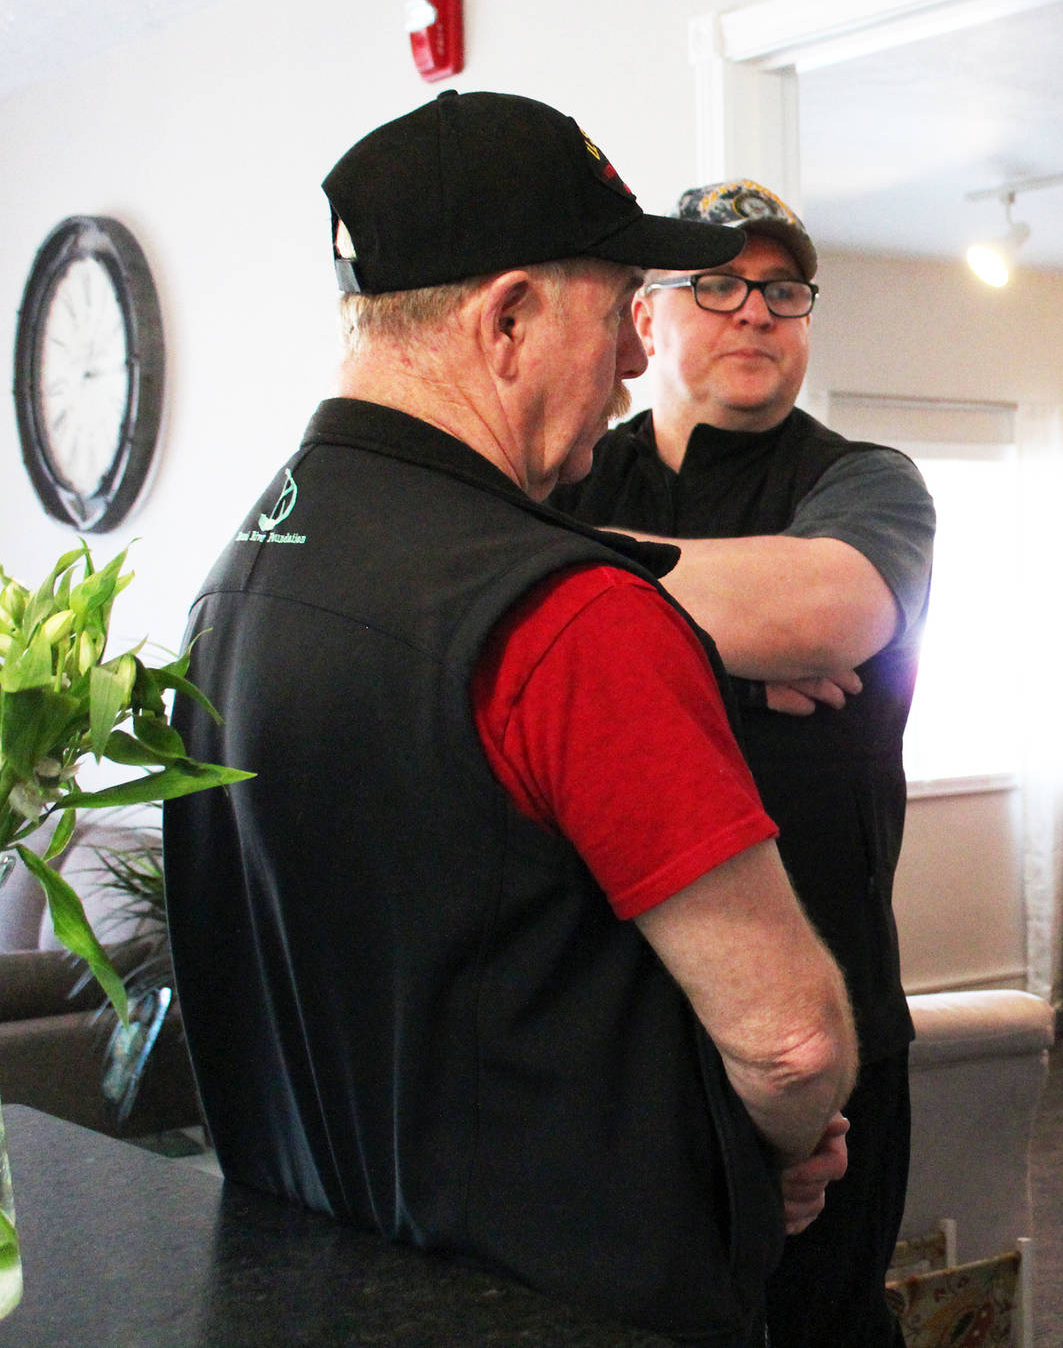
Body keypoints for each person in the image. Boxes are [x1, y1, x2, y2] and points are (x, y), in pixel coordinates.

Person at [162, 91, 859, 1345]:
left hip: (317, 1289)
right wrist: (780, 1156)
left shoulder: (240, 580)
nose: (636, 360)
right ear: (510, 317)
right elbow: (794, 1042)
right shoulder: (567, 621)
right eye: (615, 314)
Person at [549, 179, 934, 1348]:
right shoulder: (566, 477)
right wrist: (726, 637)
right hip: (610, 1030)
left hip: (826, 1012)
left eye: (780, 290)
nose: (754, 311)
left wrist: (576, 580)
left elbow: (830, 611)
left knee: (819, 1326)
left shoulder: (866, 481)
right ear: (644, 319)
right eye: (715, 285)